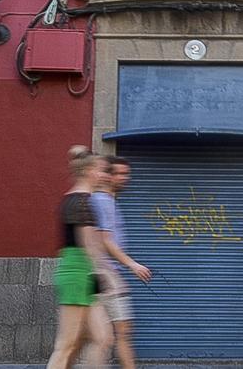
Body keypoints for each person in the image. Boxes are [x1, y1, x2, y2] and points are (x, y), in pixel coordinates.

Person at [46, 146, 114, 369]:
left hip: (82, 273)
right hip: (77, 273)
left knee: (103, 337)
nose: (103, 175)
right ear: (89, 172)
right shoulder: (81, 202)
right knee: (65, 344)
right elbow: (89, 244)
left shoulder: (79, 199)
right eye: (100, 170)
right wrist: (102, 274)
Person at [88, 156, 152, 369]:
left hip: (103, 275)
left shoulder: (106, 201)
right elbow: (105, 241)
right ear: (108, 176)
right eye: (120, 173)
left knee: (107, 336)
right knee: (114, 335)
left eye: (127, 173)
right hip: (106, 276)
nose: (125, 178)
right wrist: (131, 265)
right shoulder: (102, 201)